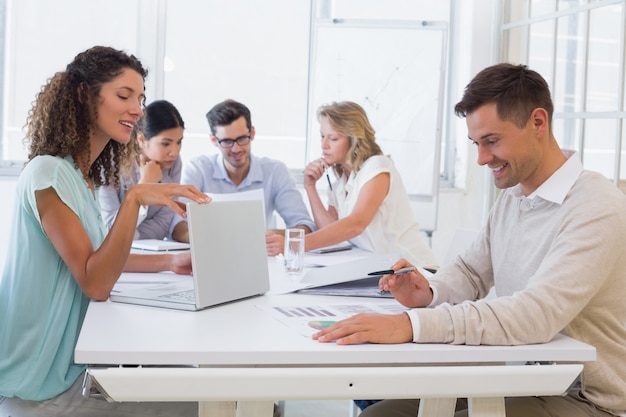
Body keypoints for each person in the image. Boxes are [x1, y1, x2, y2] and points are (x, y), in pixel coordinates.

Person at [312, 64, 626, 417]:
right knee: (377, 415)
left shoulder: (597, 207)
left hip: (586, 400)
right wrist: (429, 291)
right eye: (476, 144)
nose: (481, 159)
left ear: (538, 123)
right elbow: (471, 272)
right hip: (520, 379)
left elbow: (535, 315)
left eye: (491, 141)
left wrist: (410, 325)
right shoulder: (515, 197)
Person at [0, 46, 209, 417]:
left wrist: (171, 263)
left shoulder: (82, 178)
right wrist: (135, 200)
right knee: (204, 401)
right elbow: (96, 282)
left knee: (194, 380)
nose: (137, 109)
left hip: (75, 366)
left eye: (140, 98)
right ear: (84, 95)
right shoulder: (48, 173)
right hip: (41, 386)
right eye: (123, 95)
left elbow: (99, 260)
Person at [266, 101, 438, 270]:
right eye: (322, 136)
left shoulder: (377, 167)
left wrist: (295, 245)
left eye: (333, 138)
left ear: (353, 139)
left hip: (418, 269)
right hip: (385, 271)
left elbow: (355, 224)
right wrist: (310, 187)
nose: (323, 145)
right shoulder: (339, 185)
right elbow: (331, 232)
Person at [171, 99, 314, 247]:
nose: (236, 149)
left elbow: (305, 226)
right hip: (212, 252)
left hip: (261, 254)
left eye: (241, 139)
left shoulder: (275, 171)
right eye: (227, 141)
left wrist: (261, 236)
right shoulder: (198, 169)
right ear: (214, 140)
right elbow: (177, 227)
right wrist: (212, 238)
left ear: (252, 133)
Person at [99, 99, 185, 240]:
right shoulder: (110, 163)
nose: (174, 152)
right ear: (142, 139)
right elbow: (109, 229)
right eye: (165, 144)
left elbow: (163, 223)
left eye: (179, 142)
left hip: (147, 250)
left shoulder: (173, 163)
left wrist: (132, 237)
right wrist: (145, 185)